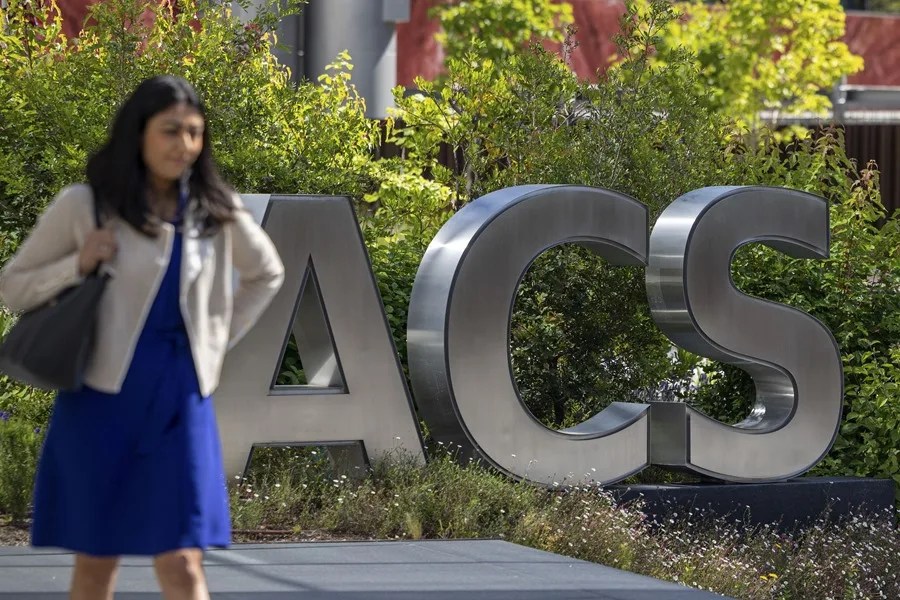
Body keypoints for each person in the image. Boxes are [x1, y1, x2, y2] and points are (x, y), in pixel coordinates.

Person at [0, 75, 285, 600]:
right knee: (96, 563)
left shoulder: (213, 209)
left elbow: (266, 273)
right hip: (101, 399)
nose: (185, 145)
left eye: (195, 133)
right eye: (171, 131)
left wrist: (215, 340)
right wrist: (76, 264)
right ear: (138, 133)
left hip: (180, 398)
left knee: (181, 561)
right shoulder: (85, 205)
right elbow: (13, 288)